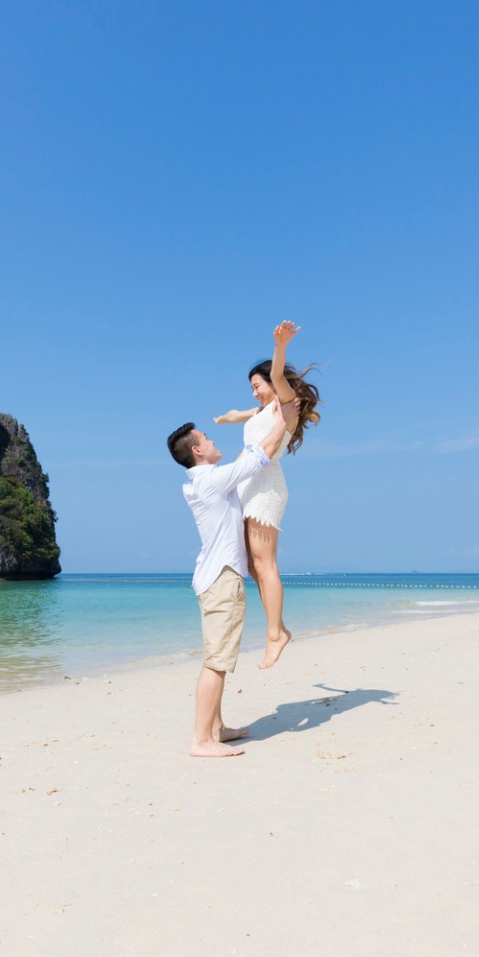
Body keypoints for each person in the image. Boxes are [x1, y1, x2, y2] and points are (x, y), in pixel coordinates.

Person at [167, 399, 289, 758]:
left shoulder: (202, 480)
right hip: (222, 578)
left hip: (212, 577)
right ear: (198, 450)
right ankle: (201, 740)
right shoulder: (211, 481)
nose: (215, 441)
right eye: (208, 438)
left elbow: (244, 464)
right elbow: (260, 456)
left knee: (216, 656)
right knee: (216, 662)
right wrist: (286, 415)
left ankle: (217, 728)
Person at [213, 320, 321, 669]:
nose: (254, 392)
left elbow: (277, 380)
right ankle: (278, 629)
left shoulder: (285, 405)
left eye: (256, 385)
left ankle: (276, 634)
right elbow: (239, 414)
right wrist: (224, 419)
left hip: (265, 488)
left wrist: (280, 346)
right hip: (248, 488)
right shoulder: (261, 410)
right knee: (252, 566)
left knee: (265, 563)